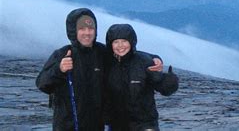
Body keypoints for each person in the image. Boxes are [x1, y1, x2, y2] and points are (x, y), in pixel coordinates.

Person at [36, 8, 164, 130]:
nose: (87, 33)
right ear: (73, 31)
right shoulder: (62, 54)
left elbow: (127, 53)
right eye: (82, 29)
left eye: (91, 28)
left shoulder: (102, 52)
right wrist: (59, 70)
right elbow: (42, 84)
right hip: (67, 126)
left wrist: (154, 58)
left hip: (97, 125)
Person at [104, 23, 179, 131]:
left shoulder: (144, 62)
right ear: (110, 44)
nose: (120, 46)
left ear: (132, 42)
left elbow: (165, 89)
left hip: (145, 124)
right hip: (116, 124)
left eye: (124, 41)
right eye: (116, 42)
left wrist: (169, 81)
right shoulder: (107, 63)